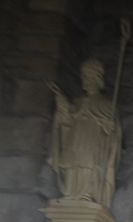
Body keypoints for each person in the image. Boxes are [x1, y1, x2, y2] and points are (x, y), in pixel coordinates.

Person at [47, 59, 122, 208]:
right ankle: (71, 193)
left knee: (88, 164)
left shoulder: (106, 105)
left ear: (98, 79)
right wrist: (62, 104)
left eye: (89, 77)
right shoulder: (78, 102)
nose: (86, 81)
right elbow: (67, 120)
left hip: (92, 143)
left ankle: (87, 193)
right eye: (84, 77)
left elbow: (113, 133)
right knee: (72, 163)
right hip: (75, 140)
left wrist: (109, 127)